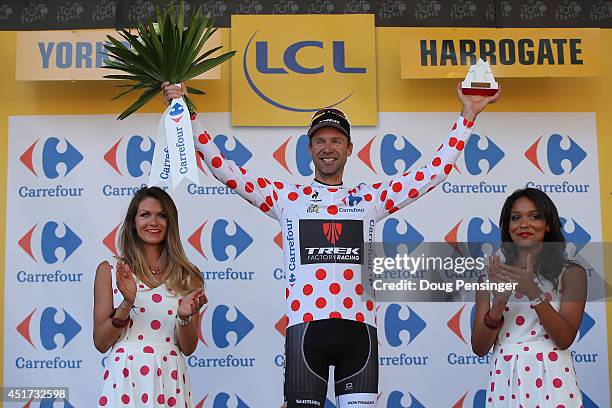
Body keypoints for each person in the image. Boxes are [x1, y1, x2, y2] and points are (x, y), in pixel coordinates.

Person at [163, 82, 500, 407]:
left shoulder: (369, 198)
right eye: (320, 141)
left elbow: (432, 173)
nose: (328, 148)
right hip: (305, 330)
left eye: (337, 141)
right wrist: (187, 113)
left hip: (360, 332)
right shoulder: (288, 199)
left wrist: (467, 115)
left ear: (349, 149)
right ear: (309, 148)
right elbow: (225, 169)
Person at [471, 188, 587, 407]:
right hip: (505, 379)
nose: (523, 224)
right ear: (507, 227)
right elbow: (479, 348)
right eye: (515, 218)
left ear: (548, 224)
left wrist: (533, 292)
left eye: (534, 216)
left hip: (553, 377)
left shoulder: (572, 273)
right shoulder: (490, 276)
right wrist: (499, 304)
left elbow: (564, 339)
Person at [93, 186, 207, 408]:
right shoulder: (109, 270)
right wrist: (127, 303)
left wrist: (183, 317)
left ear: (171, 223)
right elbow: (101, 342)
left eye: (162, 215)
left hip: (170, 380)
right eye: (145, 214)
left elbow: (188, 347)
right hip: (125, 378)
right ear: (133, 222)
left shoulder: (189, 276)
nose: (153, 222)